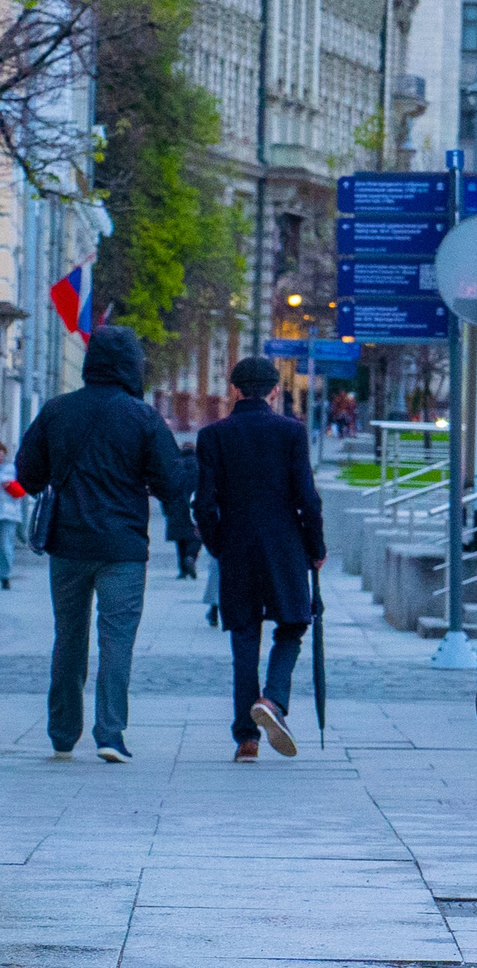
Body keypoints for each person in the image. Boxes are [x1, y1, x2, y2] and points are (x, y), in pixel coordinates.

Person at [13, 325, 188, 763]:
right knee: (117, 640)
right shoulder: (142, 416)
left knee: (68, 637)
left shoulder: (57, 411)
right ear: (133, 366)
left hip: (68, 546)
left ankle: (62, 731)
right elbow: (172, 482)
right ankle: (110, 734)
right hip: (123, 548)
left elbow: (28, 473)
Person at [194, 357, 326, 763]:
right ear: (273, 391)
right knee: (293, 625)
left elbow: (204, 504)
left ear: (233, 389)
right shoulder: (290, 432)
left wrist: (219, 545)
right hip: (285, 547)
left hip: (236, 549)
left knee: (244, 640)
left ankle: (246, 739)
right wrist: (316, 549)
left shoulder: (213, 436)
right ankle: (273, 698)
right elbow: (307, 497)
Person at [166, 440, 202, 579]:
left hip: (175, 506)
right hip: (193, 504)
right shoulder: (199, 464)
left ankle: (182, 569)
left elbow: (166, 486)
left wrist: (167, 507)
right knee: (196, 536)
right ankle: (191, 557)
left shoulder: (175, 465)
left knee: (180, 539)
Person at [0, 441, 24, 590]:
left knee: (5, 545)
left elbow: (19, 490)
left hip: (8, 513)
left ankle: (5, 576)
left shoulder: (11, 469)